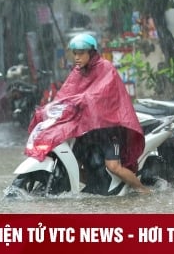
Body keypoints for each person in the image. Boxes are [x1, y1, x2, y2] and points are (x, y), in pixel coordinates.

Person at [28, 33, 150, 194]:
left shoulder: (106, 68)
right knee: (73, 164)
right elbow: (65, 95)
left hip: (109, 128)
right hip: (87, 128)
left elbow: (100, 95)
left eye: (81, 53)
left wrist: (81, 99)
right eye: (75, 54)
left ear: (91, 52)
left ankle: (143, 191)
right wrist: (49, 109)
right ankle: (97, 185)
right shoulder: (78, 72)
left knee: (113, 166)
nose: (77, 58)